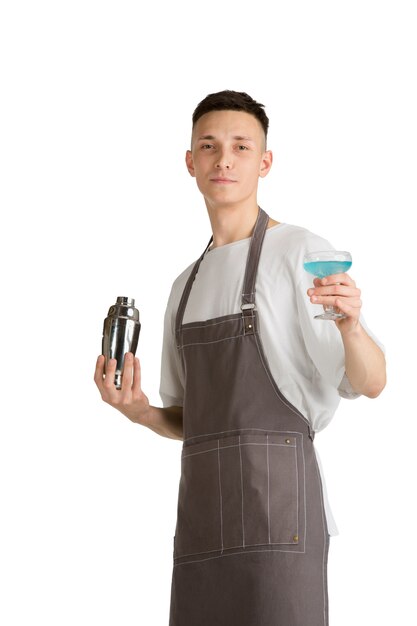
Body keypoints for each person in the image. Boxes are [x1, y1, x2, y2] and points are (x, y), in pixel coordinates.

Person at [95, 90, 386, 625]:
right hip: (203, 530)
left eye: (240, 146)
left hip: (282, 526)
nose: (223, 159)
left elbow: (369, 381)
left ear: (264, 162)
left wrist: (351, 326)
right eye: (208, 146)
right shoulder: (185, 286)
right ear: (190, 162)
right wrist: (137, 411)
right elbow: (193, 420)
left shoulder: (300, 251)